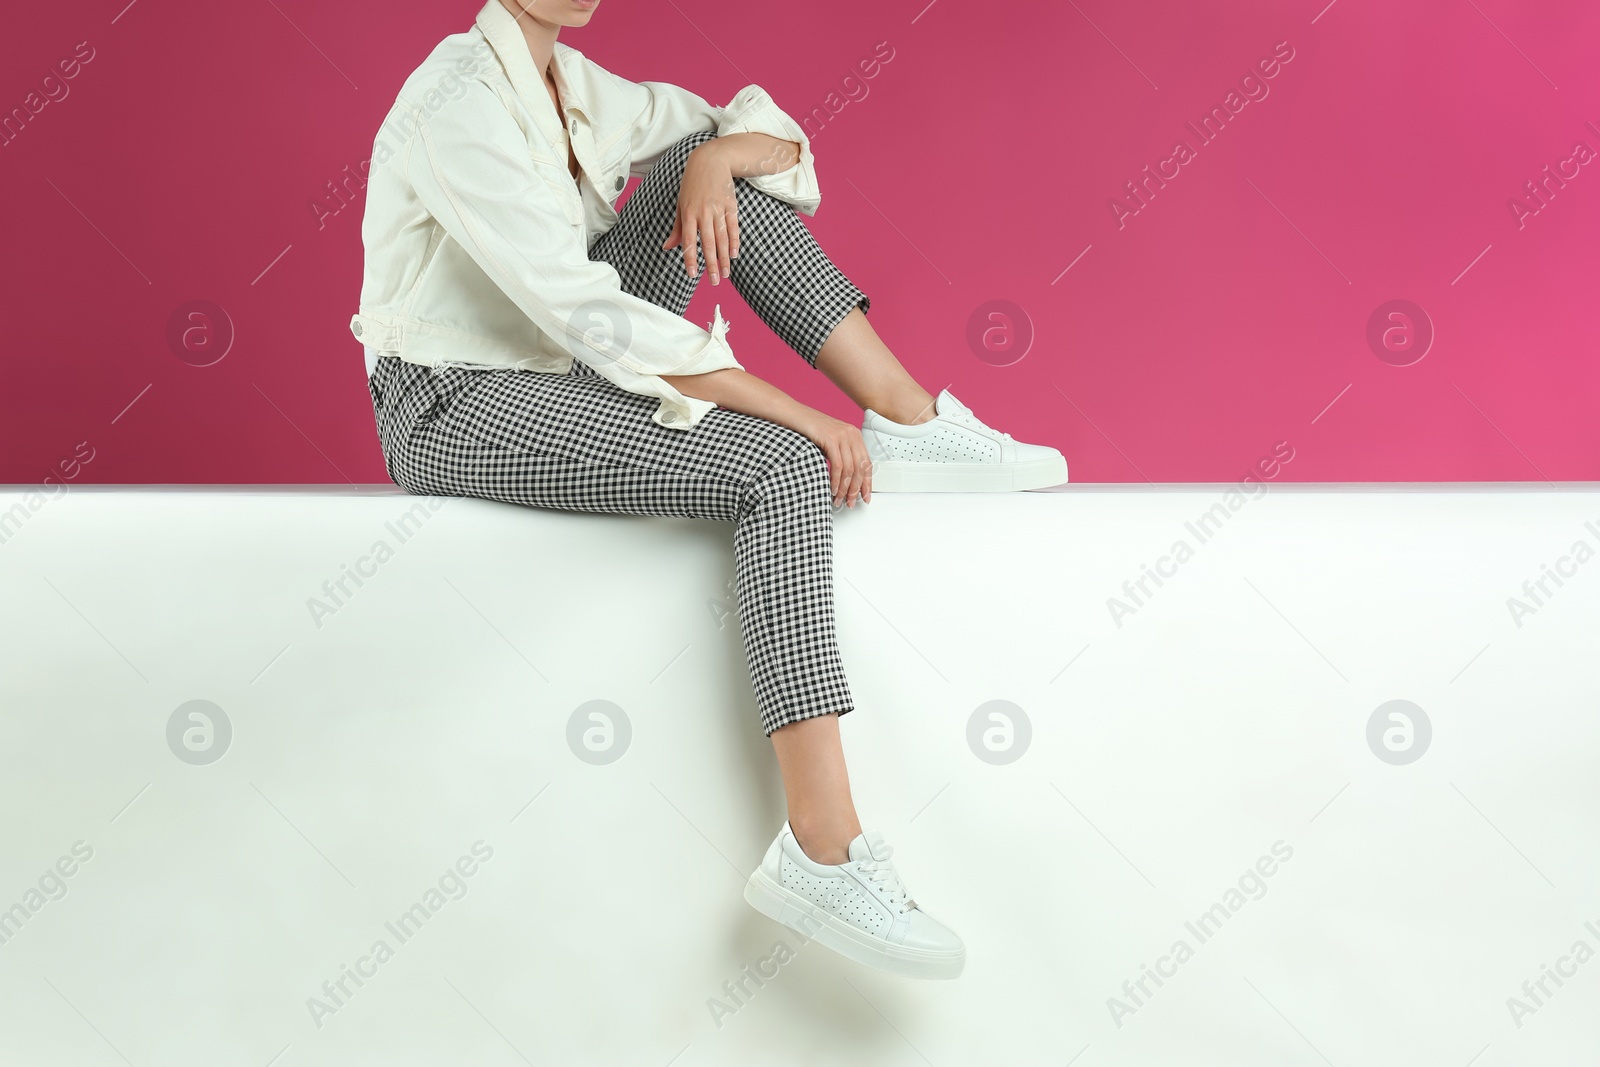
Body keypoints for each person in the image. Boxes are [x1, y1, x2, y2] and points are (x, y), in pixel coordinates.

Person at [351, 0, 1067, 981]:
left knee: (715, 166)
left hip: (554, 359)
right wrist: (797, 416)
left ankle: (905, 418)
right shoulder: (457, 102)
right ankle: (820, 848)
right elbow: (584, 314)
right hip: (456, 396)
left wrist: (715, 161)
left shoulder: (579, 88)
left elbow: (749, 128)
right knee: (777, 466)